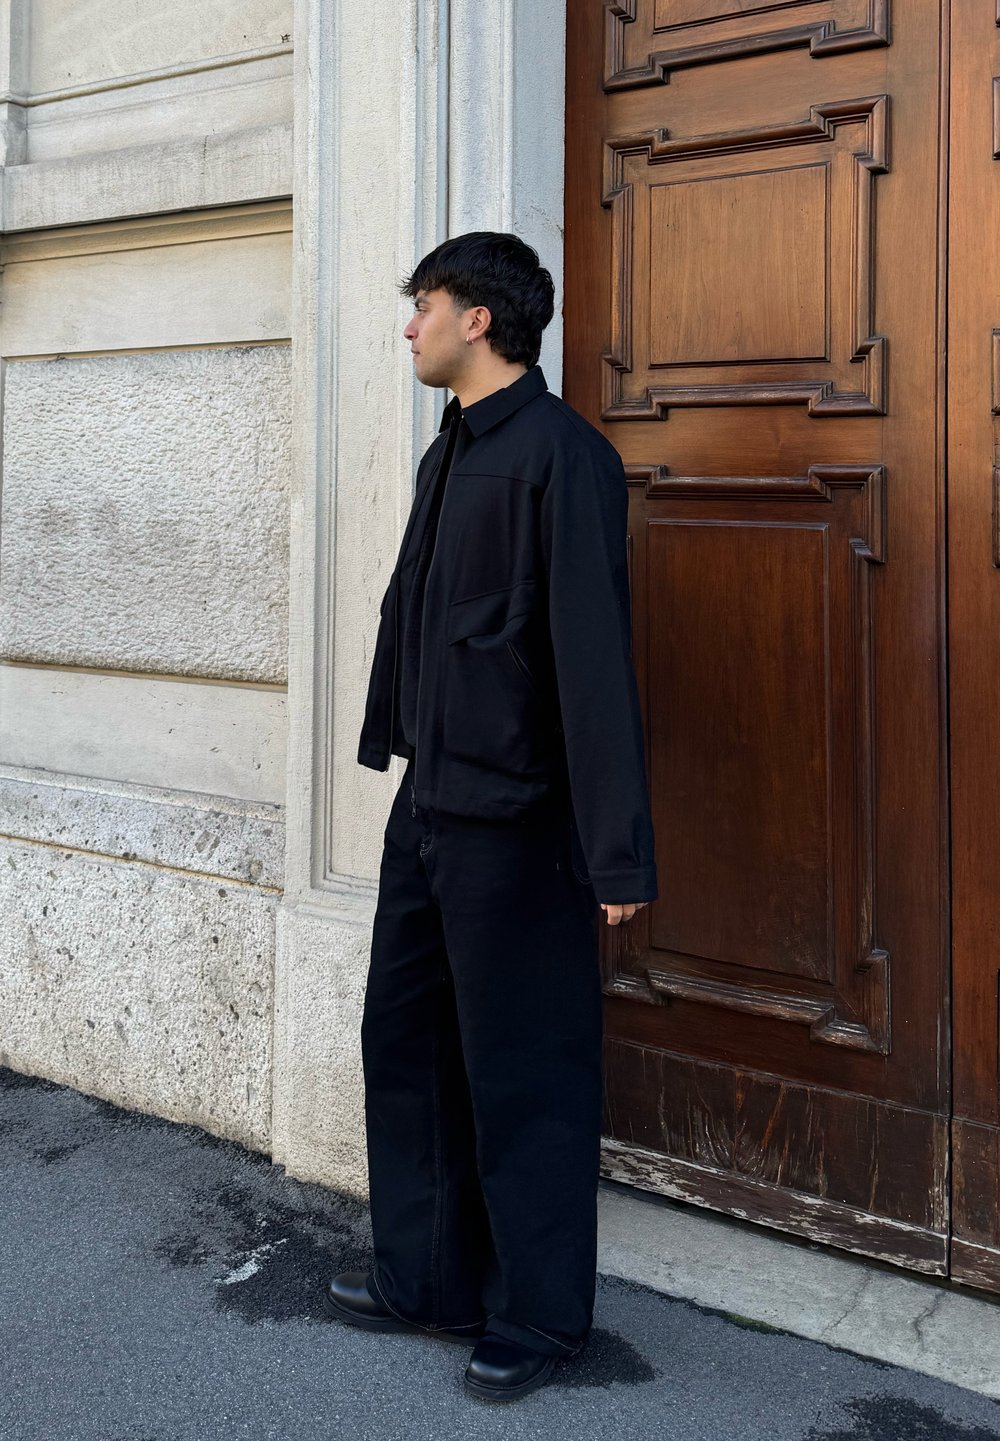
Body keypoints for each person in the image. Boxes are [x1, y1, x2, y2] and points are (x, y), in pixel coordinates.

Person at [323, 231, 657, 1403]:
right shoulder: (448, 451)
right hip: (432, 804)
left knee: (525, 1071)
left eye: (423, 305)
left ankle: (540, 1315)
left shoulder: (566, 458)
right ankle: (425, 1278)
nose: (408, 326)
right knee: (404, 1044)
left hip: (520, 823)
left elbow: (592, 664)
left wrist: (614, 849)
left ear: (478, 319)